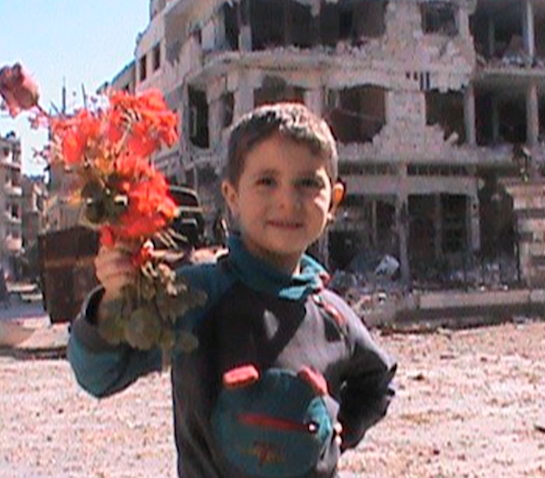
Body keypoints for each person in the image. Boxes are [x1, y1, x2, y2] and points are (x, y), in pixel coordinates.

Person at [67, 103, 397, 478]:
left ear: (333, 201)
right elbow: (97, 376)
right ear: (233, 196)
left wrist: (342, 428)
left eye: (308, 182)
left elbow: (378, 382)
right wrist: (111, 302)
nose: (288, 200)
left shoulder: (331, 314)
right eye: (266, 181)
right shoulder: (196, 295)